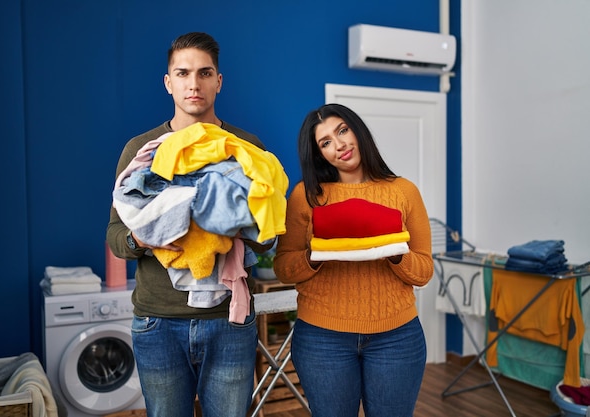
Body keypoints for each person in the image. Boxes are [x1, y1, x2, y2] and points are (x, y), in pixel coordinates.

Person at [106, 32, 274, 417]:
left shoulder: (246, 147)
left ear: (219, 80)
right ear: (169, 83)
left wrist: (241, 222)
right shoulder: (142, 149)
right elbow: (115, 236)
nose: (193, 84)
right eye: (183, 73)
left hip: (229, 322)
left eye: (204, 73)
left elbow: (268, 240)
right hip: (158, 322)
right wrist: (149, 233)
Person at [273, 103, 434, 417]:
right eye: (326, 142)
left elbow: (424, 270)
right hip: (322, 339)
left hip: (397, 337)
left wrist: (394, 250)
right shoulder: (306, 195)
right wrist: (316, 256)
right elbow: (283, 267)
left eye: (342, 131)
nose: (339, 145)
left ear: (357, 130)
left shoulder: (404, 191)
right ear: (319, 154)